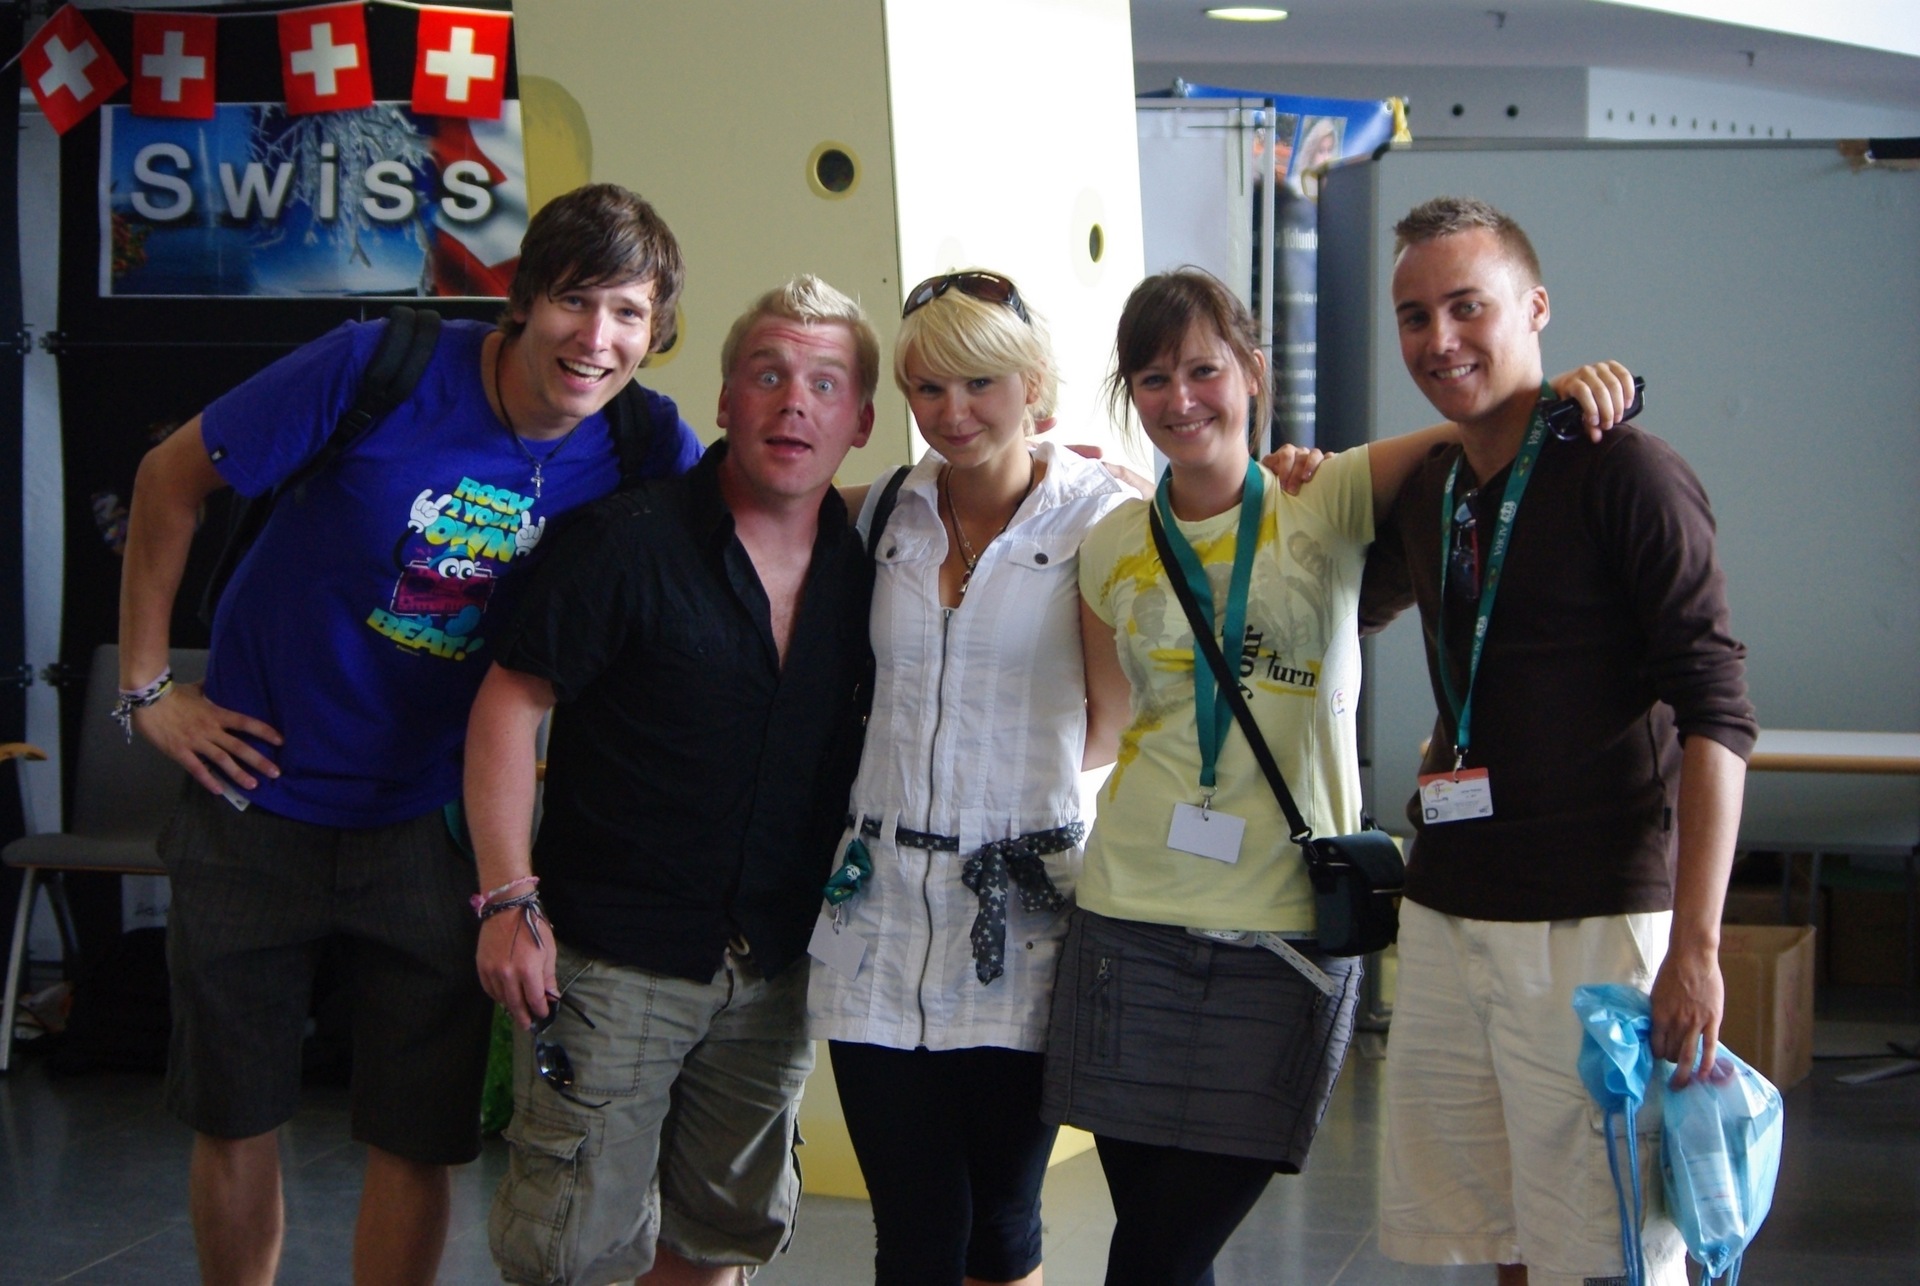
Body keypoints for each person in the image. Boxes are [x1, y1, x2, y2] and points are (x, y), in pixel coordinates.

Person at [117, 183, 699, 1286]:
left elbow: (748, 532)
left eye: (629, 312)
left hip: (436, 824)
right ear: (522, 300)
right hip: (254, 794)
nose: (597, 337)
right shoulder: (377, 367)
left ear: (655, 330)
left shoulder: (642, 441)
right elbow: (168, 478)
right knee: (235, 1114)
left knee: (417, 1132)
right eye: (574, 300)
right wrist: (147, 688)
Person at [1045, 267, 1632, 1286]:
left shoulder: (1330, 496)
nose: (1180, 399)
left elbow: (1482, 426)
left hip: (1287, 928)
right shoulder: (1109, 546)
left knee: (1158, 1249)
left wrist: (1564, 390)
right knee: (1159, 1240)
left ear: (1252, 371)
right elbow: (1112, 722)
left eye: (1203, 369)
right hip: (1127, 913)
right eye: (1152, 378)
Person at [1360, 196, 1754, 1286]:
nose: (1439, 339)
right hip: (1450, 905)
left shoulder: (1628, 473)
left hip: (1592, 920)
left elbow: (1720, 711)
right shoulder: (1434, 488)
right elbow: (1328, 604)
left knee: (1610, 1244)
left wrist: (1698, 947)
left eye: (1467, 307)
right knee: (1502, 1234)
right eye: (1413, 316)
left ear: (1535, 308)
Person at [466, 276, 878, 1286]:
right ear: (726, 400)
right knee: (572, 1251)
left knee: (719, 1238)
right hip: (613, 960)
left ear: (861, 423)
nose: (794, 403)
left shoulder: (874, 566)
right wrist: (508, 899)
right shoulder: (626, 541)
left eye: (826, 384)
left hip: (775, 965)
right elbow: (508, 708)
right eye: (768, 375)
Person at [804, 270, 1132, 1286]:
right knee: (912, 1230)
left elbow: (1110, 723)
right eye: (928, 387)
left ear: (1034, 384)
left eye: (980, 382)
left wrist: (990, 787)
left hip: (1022, 910)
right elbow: (752, 501)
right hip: (876, 910)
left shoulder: (1101, 518)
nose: (952, 412)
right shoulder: (884, 510)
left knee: (1001, 1225)